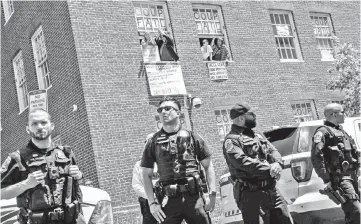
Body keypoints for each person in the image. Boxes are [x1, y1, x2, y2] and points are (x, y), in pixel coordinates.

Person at [1, 109, 85, 224]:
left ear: (52, 126)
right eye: (34, 123)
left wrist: (79, 175)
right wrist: (26, 184)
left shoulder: (66, 153)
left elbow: (77, 185)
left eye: (43, 122)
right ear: (27, 129)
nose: (39, 127)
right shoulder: (17, 158)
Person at [141, 96, 216, 224]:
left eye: (168, 108)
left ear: (178, 113)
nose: (163, 112)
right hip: (168, 200)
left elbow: (208, 166)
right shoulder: (153, 142)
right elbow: (146, 174)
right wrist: (152, 203)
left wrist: (212, 194)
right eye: (160, 110)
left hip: (194, 198)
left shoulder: (193, 137)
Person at [223, 102, 293, 224]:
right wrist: (269, 168)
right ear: (241, 118)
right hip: (250, 195)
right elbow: (243, 162)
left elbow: (273, 150)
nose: (254, 116)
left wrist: (277, 164)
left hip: (271, 190)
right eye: (251, 114)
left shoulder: (257, 135)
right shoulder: (231, 141)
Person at [311, 103, 360, 224]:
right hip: (340, 178)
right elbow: (316, 156)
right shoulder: (323, 132)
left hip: (352, 176)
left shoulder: (341, 131)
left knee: (355, 213)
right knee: (356, 211)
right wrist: (326, 179)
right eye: (342, 112)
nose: (345, 114)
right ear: (334, 114)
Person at [132, 133, 159, 224]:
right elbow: (136, 185)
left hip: (166, 201)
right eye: (147, 142)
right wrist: (152, 197)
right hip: (147, 203)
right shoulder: (139, 165)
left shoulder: (166, 162)